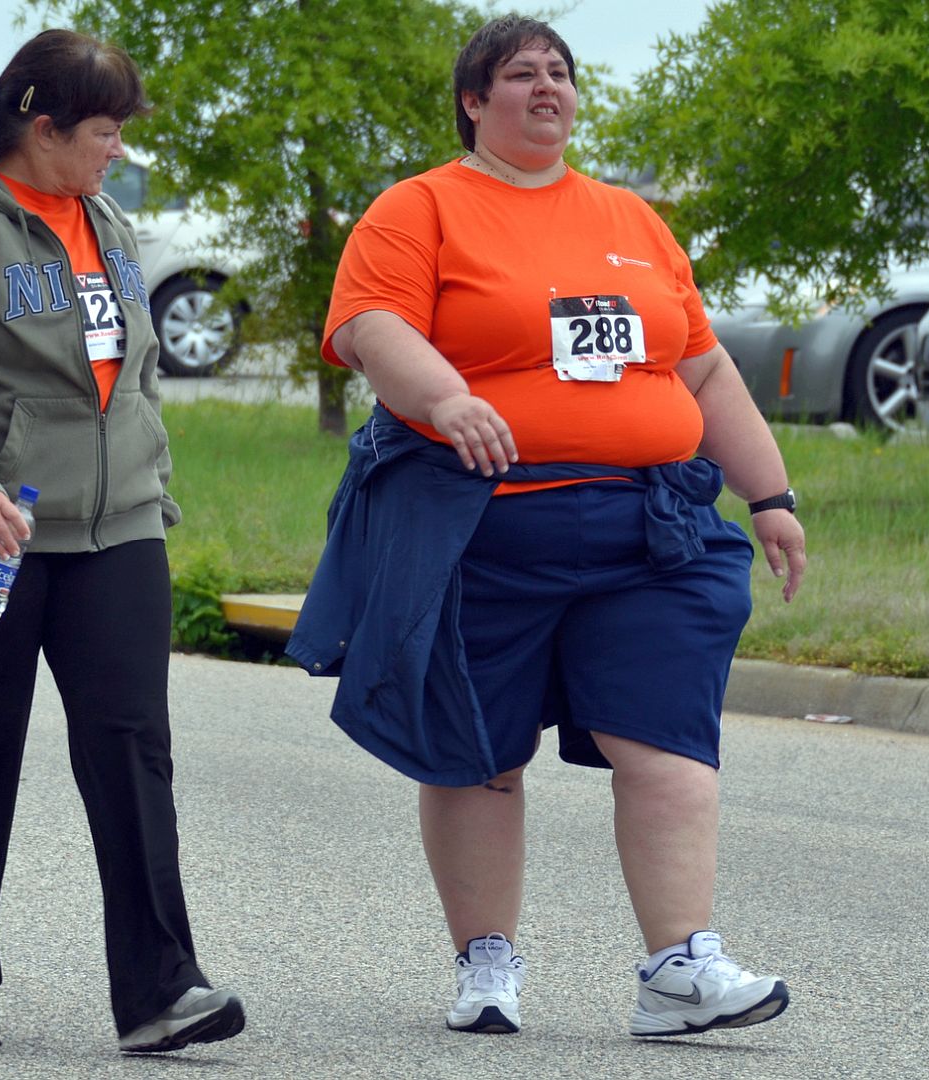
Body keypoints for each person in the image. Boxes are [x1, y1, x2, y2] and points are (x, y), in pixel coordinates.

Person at [289, 16, 808, 1040]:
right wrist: (446, 398)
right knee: (480, 753)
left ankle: (678, 969)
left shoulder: (631, 219)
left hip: (650, 529)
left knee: (667, 739)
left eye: (559, 73)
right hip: (489, 526)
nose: (545, 88)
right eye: (518, 75)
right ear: (474, 103)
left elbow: (700, 368)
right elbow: (369, 327)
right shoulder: (421, 208)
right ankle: (486, 962)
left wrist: (772, 495)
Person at [0, 29, 244, 1055]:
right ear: (41, 129)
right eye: (101, 130)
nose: (116, 148)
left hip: (115, 527)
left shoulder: (106, 221)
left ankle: (162, 993)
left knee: (131, 744)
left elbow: (138, 366)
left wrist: (150, 477)